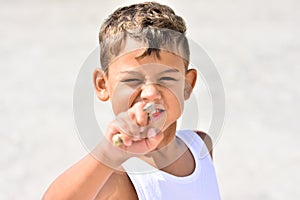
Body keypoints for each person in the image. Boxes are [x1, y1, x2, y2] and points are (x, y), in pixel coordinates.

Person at [43, 2, 221, 199]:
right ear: (103, 85)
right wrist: (108, 154)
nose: (151, 93)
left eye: (167, 78)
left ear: (187, 85)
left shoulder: (200, 146)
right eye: (132, 80)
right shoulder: (115, 175)